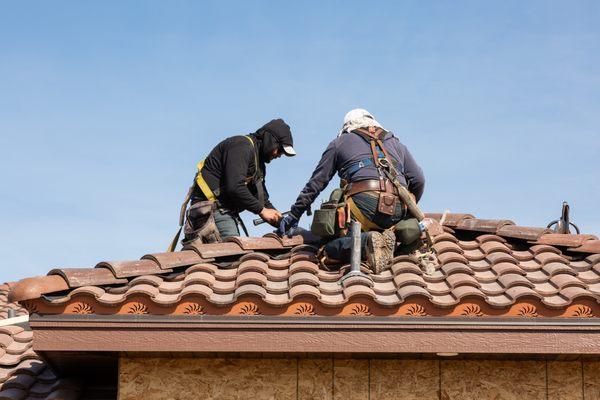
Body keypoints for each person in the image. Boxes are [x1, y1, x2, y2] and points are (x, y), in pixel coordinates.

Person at [278, 109, 425, 273]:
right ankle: (390, 246)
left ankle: (366, 242)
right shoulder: (397, 144)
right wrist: (406, 209)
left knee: (328, 243)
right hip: (398, 210)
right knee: (408, 230)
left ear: (347, 127)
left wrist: (293, 215)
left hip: (362, 207)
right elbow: (419, 180)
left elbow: (316, 184)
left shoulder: (339, 142)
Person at [173, 119, 295, 248]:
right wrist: (262, 210)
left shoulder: (258, 165)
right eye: (280, 149)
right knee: (233, 255)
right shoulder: (241, 146)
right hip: (210, 210)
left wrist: (279, 219)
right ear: (270, 140)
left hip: (222, 212)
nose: (279, 155)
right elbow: (235, 187)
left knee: (232, 256)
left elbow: (262, 199)